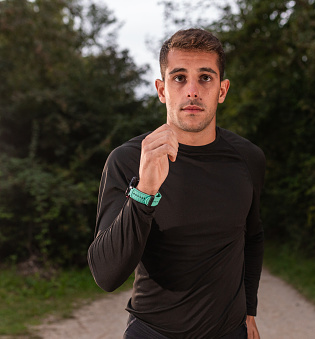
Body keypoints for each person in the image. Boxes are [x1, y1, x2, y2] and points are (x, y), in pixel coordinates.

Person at [87, 28, 265, 339]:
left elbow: (252, 238)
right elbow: (106, 274)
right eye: (179, 77)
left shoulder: (248, 158)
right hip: (153, 332)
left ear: (222, 90)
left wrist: (249, 309)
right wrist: (144, 191)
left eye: (205, 78)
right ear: (162, 89)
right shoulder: (128, 159)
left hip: (228, 331)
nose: (192, 90)